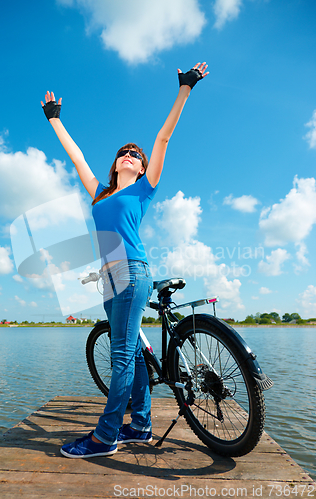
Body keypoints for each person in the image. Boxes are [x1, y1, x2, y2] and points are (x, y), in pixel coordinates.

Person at [41, 62, 209, 458]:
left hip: (133, 273)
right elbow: (77, 157)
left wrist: (184, 89)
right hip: (109, 279)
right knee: (131, 353)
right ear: (116, 164)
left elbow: (163, 138)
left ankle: (105, 436)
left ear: (142, 165)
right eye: (124, 153)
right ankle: (141, 426)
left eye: (137, 154)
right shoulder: (100, 194)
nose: (131, 155)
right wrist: (54, 120)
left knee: (119, 355)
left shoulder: (144, 189)